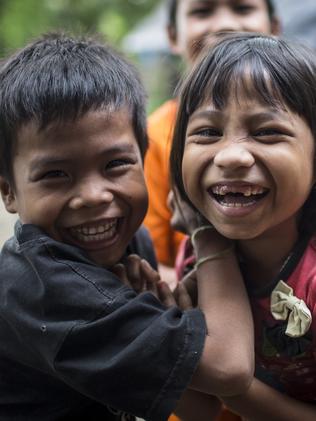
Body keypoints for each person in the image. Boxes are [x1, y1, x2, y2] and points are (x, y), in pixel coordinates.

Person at [0, 33, 254, 420]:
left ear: (143, 156)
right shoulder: (45, 288)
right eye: (55, 174)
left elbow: (199, 408)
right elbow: (230, 368)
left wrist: (165, 316)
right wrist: (207, 229)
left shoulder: (126, 241)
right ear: (9, 192)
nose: (94, 196)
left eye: (115, 165)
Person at [170, 32, 316, 419]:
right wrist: (161, 329)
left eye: (267, 132)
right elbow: (198, 410)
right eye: (207, 132)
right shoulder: (198, 255)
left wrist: (232, 385)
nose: (231, 155)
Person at [144, 0, 280, 288]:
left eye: (243, 8)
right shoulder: (153, 138)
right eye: (202, 12)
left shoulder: (306, 120)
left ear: (275, 28)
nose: (224, 25)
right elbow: (152, 265)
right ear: (172, 35)